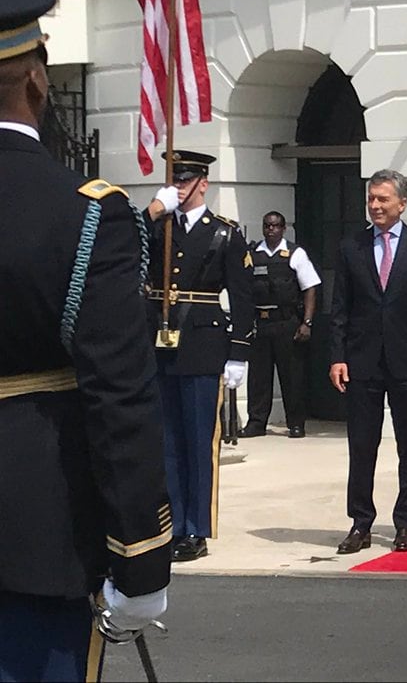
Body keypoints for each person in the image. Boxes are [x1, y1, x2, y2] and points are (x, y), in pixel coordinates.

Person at [0, 0, 170, 681]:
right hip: (36, 539)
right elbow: (119, 399)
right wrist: (141, 555)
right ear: (37, 81)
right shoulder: (87, 217)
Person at [143, 149, 254, 563]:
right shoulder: (157, 227)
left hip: (204, 346)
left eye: (185, 181)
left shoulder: (224, 233)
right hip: (159, 343)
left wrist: (239, 352)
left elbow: (243, 298)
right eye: (173, 181)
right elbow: (120, 244)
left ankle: (196, 528)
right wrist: (153, 211)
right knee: (167, 442)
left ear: (203, 183)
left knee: (198, 442)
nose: (178, 188)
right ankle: (172, 524)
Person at [329, 170, 407, 555]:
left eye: (383, 199)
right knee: (362, 446)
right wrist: (338, 357)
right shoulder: (352, 247)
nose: (376, 206)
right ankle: (360, 522)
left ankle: (405, 523)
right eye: (371, 199)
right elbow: (340, 308)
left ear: (402, 203)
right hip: (362, 362)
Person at [242, 211, 321, 439]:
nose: (270, 230)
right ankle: (256, 422)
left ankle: (296, 423)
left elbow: (310, 288)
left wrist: (307, 322)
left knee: (292, 376)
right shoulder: (253, 254)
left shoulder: (295, 254)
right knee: (258, 377)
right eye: (267, 226)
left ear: (283, 228)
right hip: (261, 323)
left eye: (275, 226)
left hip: (287, 323)